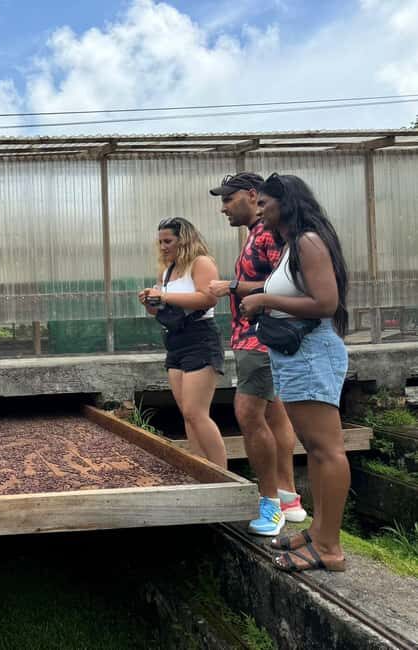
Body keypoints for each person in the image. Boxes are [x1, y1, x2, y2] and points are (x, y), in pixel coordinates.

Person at [240, 173, 349, 573]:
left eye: (265, 203)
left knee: (325, 449)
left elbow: (325, 302)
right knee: (316, 448)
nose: (260, 210)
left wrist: (264, 298)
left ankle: (329, 548)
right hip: (298, 355)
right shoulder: (292, 245)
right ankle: (319, 531)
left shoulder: (307, 241)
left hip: (311, 352)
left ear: (285, 203)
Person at [207, 173, 306, 537]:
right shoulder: (259, 234)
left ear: (252, 195)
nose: (223, 208)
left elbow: (285, 283)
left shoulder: (267, 234)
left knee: (247, 413)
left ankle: (270, 504)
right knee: (275, 413)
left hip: (259, 338)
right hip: (257, 336)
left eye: (229, 199)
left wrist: (230, 286)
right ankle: (289, 497)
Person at [139, 218, 227, 468]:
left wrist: (164, 295)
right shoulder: (167, 270)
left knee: (197, 412)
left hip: (200, 338)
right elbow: (161, 311)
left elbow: (209, 298)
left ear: (184, 240)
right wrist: (150, 302)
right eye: (160, 242)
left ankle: (222, 474)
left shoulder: (201, 263)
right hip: (175, 339)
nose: (163, 247)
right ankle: (200, 468)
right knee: (187, 414)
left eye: (168, 241)